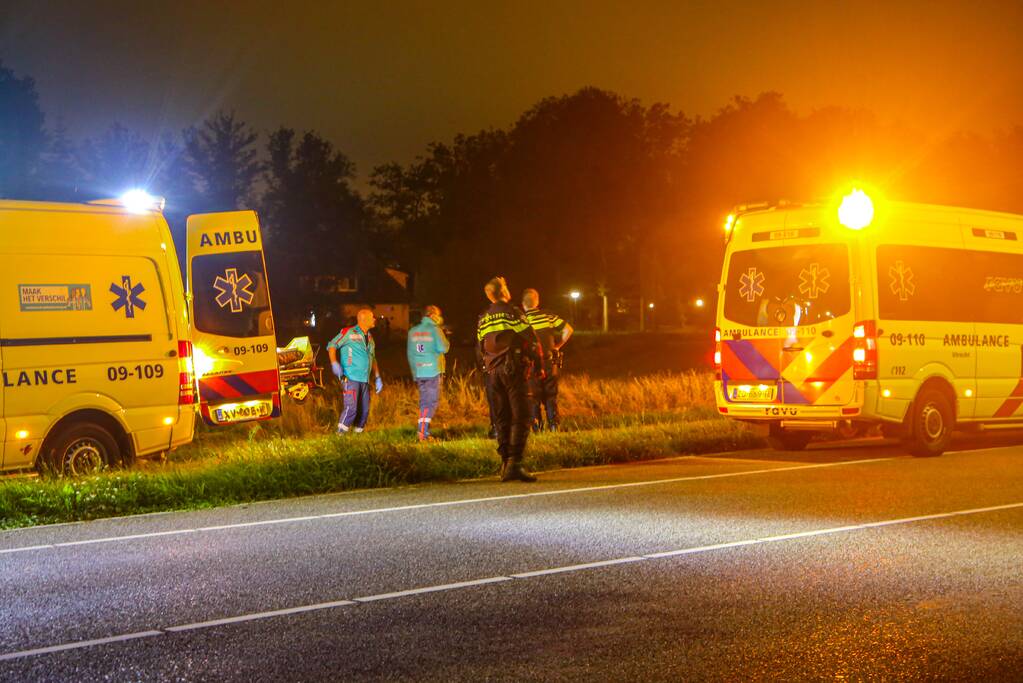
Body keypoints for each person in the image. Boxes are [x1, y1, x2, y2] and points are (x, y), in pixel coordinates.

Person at [477, 276, 543, 482]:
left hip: (492, 374)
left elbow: (479, 348)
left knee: (501, 418)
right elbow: (532, 339)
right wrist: (539, 365)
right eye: (505, 286)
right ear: (502, 292)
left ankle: (505, 463)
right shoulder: (512, 312)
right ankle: (515, 463)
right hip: (513, 370)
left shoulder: (483, 317)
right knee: (522, 416)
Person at [522, 288, 574, 432]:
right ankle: (554, 427)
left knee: (533, 398)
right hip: (550, 362)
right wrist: (557, 346)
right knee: (551, 397)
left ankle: (537, 429)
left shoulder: (522, 320)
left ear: (523, 304)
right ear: (537, 301)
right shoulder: (548, 316)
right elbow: (568, 329)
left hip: (530, 366)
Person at [327, 308, 384, 434]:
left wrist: (378, 377)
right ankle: (340, 435)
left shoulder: (369, 337)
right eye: (372, 317)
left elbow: (373, 358)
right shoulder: (348, 332)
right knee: (351, 408)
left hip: (365, 379)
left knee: (364, 410)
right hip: (350, 377)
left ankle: (358, 435)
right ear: (363, 319)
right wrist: (334, 363)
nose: (375, 319)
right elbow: (332, 345)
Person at [407, 305, 450, 441]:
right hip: (433, 371)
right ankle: (423, 433)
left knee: (424, 402)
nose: (440, 317)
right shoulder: (435, 330)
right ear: (432, 315)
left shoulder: (413, 331)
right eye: (438, 314)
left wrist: (415, 373)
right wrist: (445, 337)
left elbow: (411, 354)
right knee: (430, 403)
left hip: (420, 371)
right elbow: (444, 348)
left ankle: (423, 431)